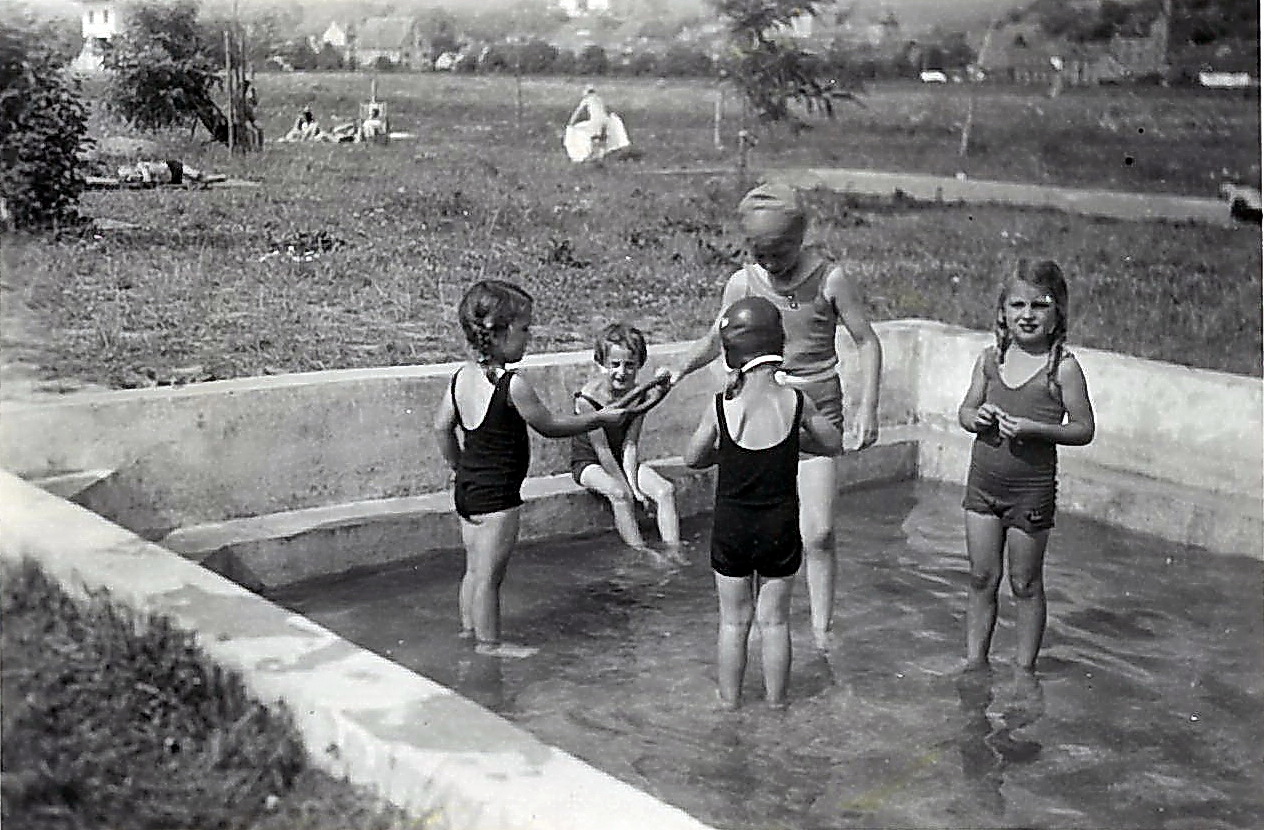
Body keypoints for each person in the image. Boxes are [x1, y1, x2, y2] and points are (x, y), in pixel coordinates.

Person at [664, 182, 883, 650]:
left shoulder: (830, 279)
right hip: (762, 414)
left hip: (815, 411)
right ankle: (758, 622)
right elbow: (716, 339)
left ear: (801, 237)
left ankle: (822, 630)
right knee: (757, 527)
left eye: (779, 251)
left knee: (819, 531)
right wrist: (679, 368)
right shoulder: (743, 282)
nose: (770, 262)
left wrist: (867, 408)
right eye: (759, 252)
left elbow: (867, 341)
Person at [433, 280, 631, 658]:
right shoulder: (513, 385)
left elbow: (441, 427)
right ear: (500, 333)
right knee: (490, 577)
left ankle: (468, 631)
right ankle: (489, 646)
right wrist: (599, 418)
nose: (529, 337)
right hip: (498, 498)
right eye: (524, 329)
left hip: (469, 490)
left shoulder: (461, 377)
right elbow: (550, 426)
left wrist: (458, 466)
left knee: (473, 569)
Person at [684, 297, 843, 709]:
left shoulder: (722, 406)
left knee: (733, 622)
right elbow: (833, 442)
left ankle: (729, 704)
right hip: (779, 527)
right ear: (778, 345)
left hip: (732, 527)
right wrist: (792, 443)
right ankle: (777, 706)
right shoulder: (796, 401)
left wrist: (726, 452)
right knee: (774, 622)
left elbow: (692, 458)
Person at [957, 258, 1095, 673]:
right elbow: (965, 410)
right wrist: (976, 418)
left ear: (1058, 314)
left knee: (1025, 582)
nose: (1028, 315)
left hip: (1030, 492)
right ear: (1002, 312)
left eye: (1040, 305)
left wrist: (1037, 429)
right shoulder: (991, 360)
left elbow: (1084, 428)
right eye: (1017, 305)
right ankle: (975, 663)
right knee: (981, 578)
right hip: (982, 487)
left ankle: (1023, 671)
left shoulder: (1062, 368)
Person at [572, 323, 684, 565]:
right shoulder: (588, 400)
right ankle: (641, 552)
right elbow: (602, 451)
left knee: (665, 490)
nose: (621, 372)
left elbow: (630, 445)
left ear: (639, 365)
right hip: (590, 462)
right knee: (619, 494)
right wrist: (631, 492)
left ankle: (673, 551)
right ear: (601, 363)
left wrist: (636, 485)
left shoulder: (639, 395)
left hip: (621, 457)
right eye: (614, 364)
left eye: (630, 365)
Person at [563, 86, 630, 163]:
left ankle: (593, 156)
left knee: (594, 137)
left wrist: (570, 124)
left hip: (595, 121)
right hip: (605, 121)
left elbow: (578, 112)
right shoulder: (599, 99)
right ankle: (601, 155)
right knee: (602, 137)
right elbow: (608, 110)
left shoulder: (586, 100)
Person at [114, 159, 225, 187]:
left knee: (198, 177)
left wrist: (138, 179)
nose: (129, 178)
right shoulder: (138, 175)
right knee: (196, 182)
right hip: (171, 179)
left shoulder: (141, 165)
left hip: (171, 168)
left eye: (127, 175)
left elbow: (147, 179)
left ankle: (219, 177)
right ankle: (217, 178)